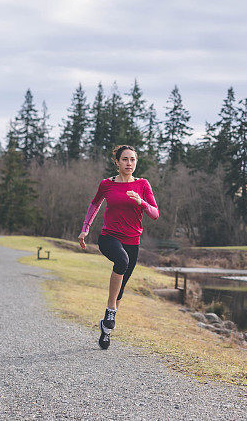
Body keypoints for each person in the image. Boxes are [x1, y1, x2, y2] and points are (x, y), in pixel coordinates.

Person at [78, 145, 159, 349]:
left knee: (120, 290)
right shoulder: (107, 184)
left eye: (132, 159)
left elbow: (155, 213)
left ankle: (106, 328)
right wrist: (85, 229)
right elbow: (94, 204)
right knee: (121, 261)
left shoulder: (142, 184)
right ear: (117, 162)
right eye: (125, 159)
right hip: (109, 238)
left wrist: (140, 202)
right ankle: (111, 312)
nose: (129, 163)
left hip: (133, 242)